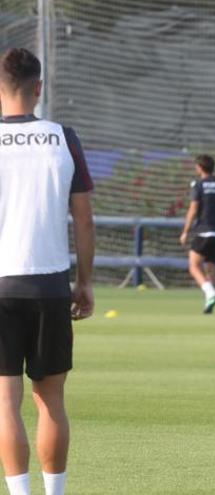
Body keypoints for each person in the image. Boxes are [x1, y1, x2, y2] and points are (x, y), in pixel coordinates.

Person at [0, 47, 95, 495]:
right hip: (51, 284)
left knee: (6, 404)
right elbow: (83, 218)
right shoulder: (64, 137)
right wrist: (86, 282)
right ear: (39, 88)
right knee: (51, 401)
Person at [179, 155, 215, 314]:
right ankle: (209, 302)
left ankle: (211, 293)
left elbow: (193, 209)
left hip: (203, 231)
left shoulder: (200, 185)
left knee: (194, 266)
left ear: (199, 168)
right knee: (211, 267)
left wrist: (186, 231)